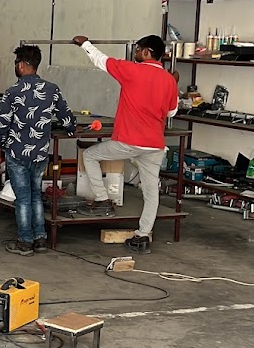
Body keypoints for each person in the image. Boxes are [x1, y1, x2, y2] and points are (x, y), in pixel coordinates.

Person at [71, 34, 179, 254]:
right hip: (154, 145)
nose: (135, 53)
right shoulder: (169, 80)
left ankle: (103, 200)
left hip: (128, 141)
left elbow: (101, 60)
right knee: (151, 193)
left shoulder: (131, 70)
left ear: (147, 52)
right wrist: (172, 83)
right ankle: (142, 236)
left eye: (138, 49)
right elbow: (171, 112)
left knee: (90, 155)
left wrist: (85, 44)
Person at [0, 45, 76, 256]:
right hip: (40, 153)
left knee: (23, 198)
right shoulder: (52, 89)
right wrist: (71, 129)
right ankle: (40, 239)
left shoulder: (12, 92)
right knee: (36, 195)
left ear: (21, 65)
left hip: (17, 153)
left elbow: (1, 127)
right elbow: (67, 118)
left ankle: (25, 242)